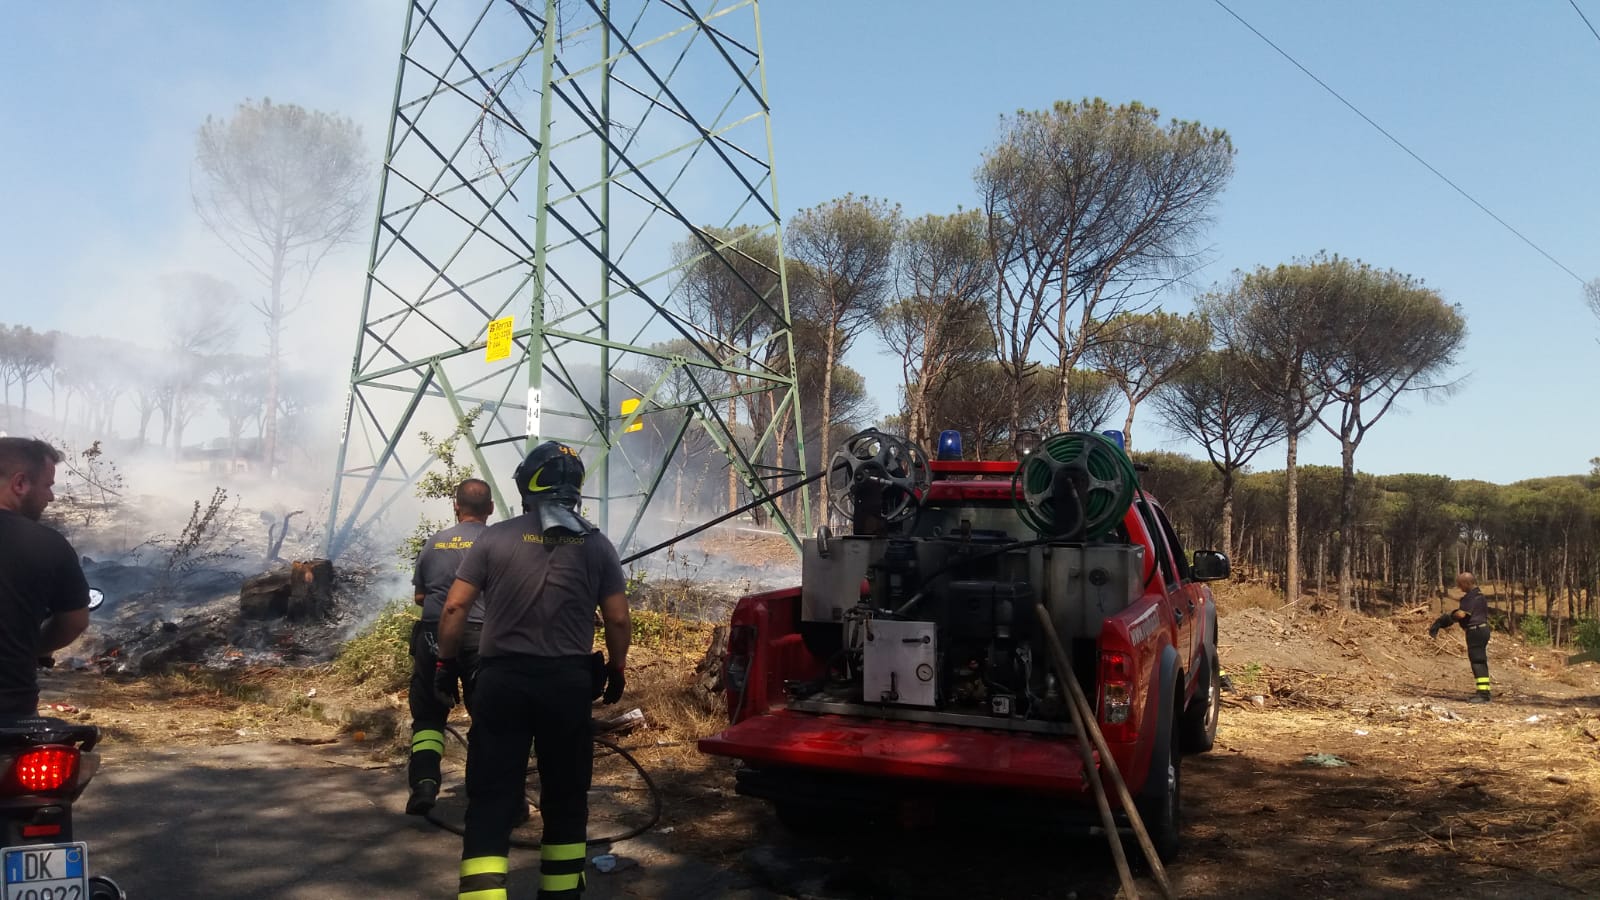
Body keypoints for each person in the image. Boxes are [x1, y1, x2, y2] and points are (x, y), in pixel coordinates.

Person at [436, 441, 629, 900]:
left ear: (527, 484)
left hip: (502, 682)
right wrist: (617, 669)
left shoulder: (494, 537)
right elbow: (618, 619)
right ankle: (561, 894)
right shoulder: (597, 544)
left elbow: (454, 608)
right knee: (565, 798)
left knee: (491, 797)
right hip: (567, 685)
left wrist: (445, 664)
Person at [406, 478, 495, 816]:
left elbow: (419, 596)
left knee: (428, 717)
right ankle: (484, 793)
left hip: (433, 635)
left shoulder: (434, 543)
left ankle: (424, 785)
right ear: (489, 508)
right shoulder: (498, 541)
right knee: (487, 719)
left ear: (456, 506)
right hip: (481, 637)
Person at [0, 438, 90, 716]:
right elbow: (74, 621)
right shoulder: (50, 545)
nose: (51, 497)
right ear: (20, 483)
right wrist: (31, 646)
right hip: (10, 709)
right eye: (48, 486)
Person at [1429, 572, 1492, 703]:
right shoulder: (1479, 595)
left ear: (1467, 583)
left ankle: (1483, 695)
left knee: (1477, 661)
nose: (1459, 587)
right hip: (1482, 629)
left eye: (1460, 584)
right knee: (1480, 661)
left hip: (1476, 630)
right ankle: (1484, 691)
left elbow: (1462, 614)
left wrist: (1446, 619)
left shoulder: (1471, 597)